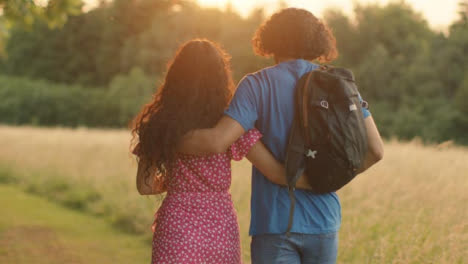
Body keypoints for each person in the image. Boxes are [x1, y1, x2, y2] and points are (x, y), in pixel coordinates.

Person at [178, 8, 384, 264]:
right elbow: (376, 150)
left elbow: (217, 141)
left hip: (275, 223)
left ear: (270, 39)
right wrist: (327, 180)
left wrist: (161, 137)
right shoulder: (337, 84)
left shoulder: (256, 85)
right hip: (324, 221)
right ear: (317, 40)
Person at [131, 39, 314, 264]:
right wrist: (321, 182)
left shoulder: (159, 126)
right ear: (219, 79)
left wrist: (180, 184)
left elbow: (145, 185)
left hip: (176, 226)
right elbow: (275, 172)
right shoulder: (230, 126)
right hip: (220, 227)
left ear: (175, 78)